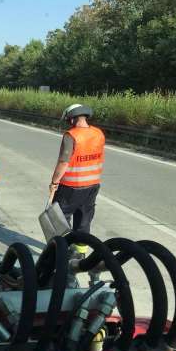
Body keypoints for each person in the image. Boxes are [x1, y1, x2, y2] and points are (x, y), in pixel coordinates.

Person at [49, 104, 105, 255]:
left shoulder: (71, 135)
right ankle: (80, 253)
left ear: (72, 118)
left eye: (68, 119)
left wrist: (54, 182)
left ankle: (62, 251)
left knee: (61, 220)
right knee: (84, 219)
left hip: (71, 186)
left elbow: (63, 162)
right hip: (93, 184)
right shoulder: (98, 133)